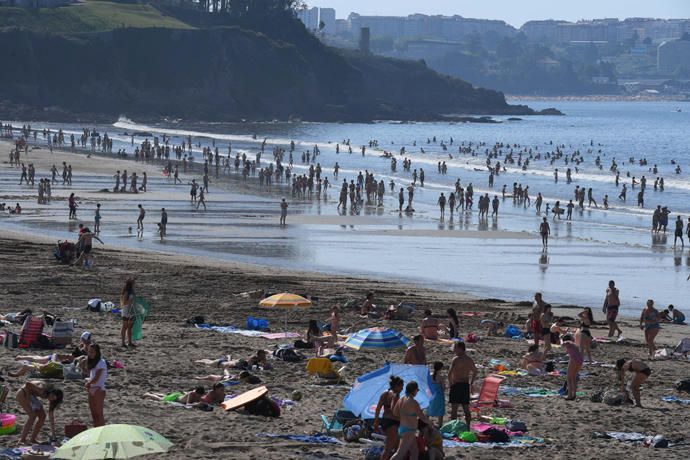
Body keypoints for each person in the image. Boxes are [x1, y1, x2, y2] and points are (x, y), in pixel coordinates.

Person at [390, 381, 431, 460]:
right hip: (409, 431)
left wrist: (405, 415)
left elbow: (395, 413)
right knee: (399, 454)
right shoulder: (413, 402)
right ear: (414, 390)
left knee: (414, 452)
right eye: (417, 390)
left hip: (403, 429)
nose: (417, 392)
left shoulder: (401, 399)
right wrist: (430, 423)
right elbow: (422, 417)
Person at [373, 376, 403, 460]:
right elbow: (395, 412)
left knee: (395, 447)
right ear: (397, 386)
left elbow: (378, 408)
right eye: (401, 386)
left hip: (385, 421)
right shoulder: (396, 396)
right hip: (393, 423)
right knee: (389, 448)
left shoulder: (385, 393)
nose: (402, 388)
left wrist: (376, 422)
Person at [448, 341, 476, 428]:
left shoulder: (456, 359)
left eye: (455, 347)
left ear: (460, 348)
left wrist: (450, 383)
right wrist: (471, 383)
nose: (454, 349)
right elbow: (475, 371)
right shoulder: (469, 360)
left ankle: (453, 427)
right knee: (466, 409)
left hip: (456, 385)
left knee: (454, 410)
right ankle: (468, 427)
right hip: (464, 385)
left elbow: (450, 373)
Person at [85, 343, 107, 427]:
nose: (90, 354)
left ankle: (102, 432)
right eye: (89, 352)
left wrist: (88, 382)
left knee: (99, 414)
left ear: (97, 352)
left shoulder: (101, 362)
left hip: (99, 389)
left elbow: (96, 379)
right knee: (94, 414)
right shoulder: (93, 363)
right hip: (92, 389)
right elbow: (92, 378)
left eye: (92, 352)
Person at [562, 335, 583, 401]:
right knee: (573, 377)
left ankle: (570, 395)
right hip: (580, 360)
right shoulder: (574, 345)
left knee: (569, 377)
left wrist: (561, 338)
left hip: (574, 360)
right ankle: (574, 394)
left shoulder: (568, 342)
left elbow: (563, 344)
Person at [427, 362, 446, 426]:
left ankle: (426, 424)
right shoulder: (441, 377)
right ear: (440, 368)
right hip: (439, 396)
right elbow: (443, 388)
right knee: (440, 411)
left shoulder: (430, 376)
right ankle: (440, 426)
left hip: (431, 395)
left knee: (429, 410)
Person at [120, 278, 136, 348]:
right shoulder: (127, 291)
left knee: (130, 327)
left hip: (131, 310)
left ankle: (130, 342)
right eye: (133, 281)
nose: (134, 282)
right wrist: (131, 301)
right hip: (126, 310)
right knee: (125, 327)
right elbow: (123, 302)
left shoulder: (132, 291)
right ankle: (123, 343)